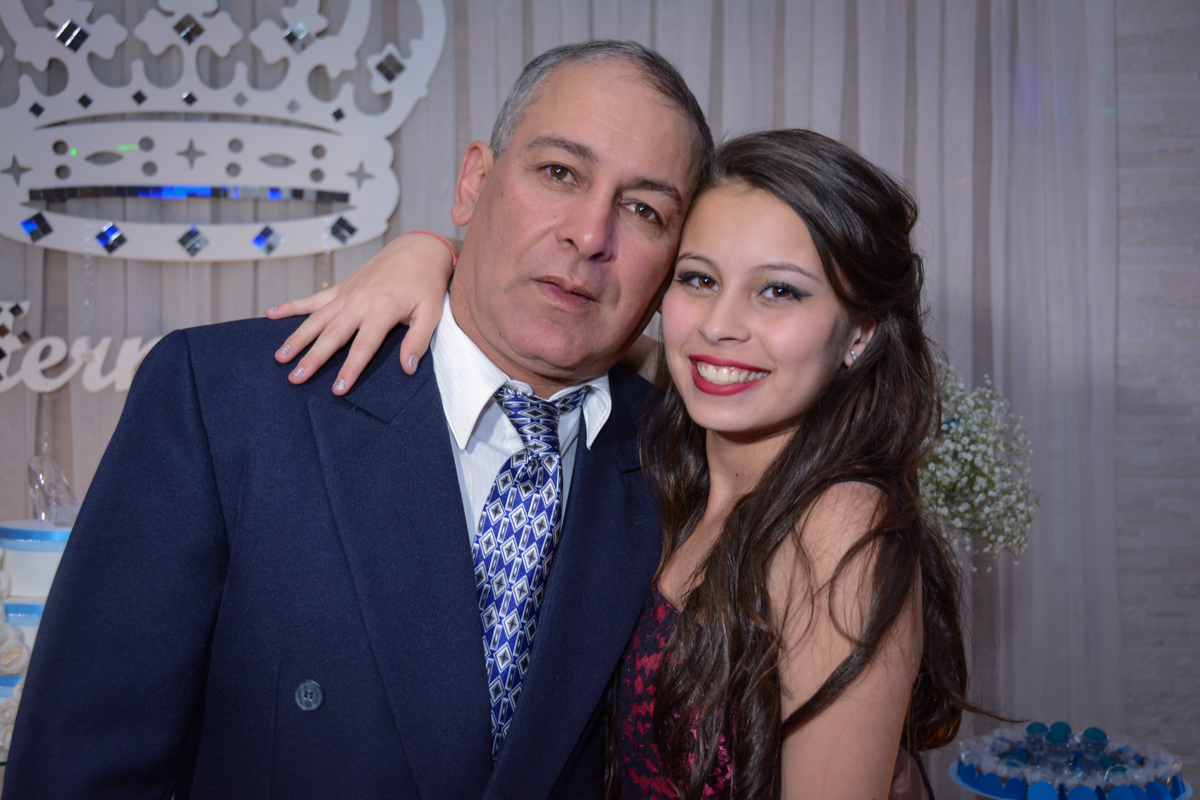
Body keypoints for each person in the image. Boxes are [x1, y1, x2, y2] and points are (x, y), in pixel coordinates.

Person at [3, 41, 712, 799]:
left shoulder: (692, 459)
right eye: (559, 173)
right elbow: (77, 775)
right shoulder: (223, 400)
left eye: (643, 210)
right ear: (474, 182)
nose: (590, 235)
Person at [267, 130, 980, 797]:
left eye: (779, 291)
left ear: (858, 333)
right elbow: (562, 316)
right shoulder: (671, 446)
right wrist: (427, 253)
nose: (720, 325)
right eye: (699, 280)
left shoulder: (840, 523)